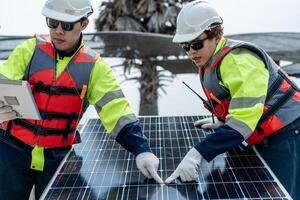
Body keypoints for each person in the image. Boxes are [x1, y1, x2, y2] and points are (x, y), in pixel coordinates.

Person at [0, 0, 163, 199]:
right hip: (11, 153)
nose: (58, 30)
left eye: (67, 25)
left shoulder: (95, 67)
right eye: (53, 22)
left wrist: (141, 149)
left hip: (59, 160)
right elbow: (3, 81)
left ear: (84, 24)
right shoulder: (29, 49)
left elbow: (116, 110)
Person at [165, 1, 300, 199]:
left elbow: (243, 122)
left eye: (196, 44)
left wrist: (197, 154)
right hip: (266, 135)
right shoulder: (212, 59)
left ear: (216, 35)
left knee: (283, 193)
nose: (191, 52)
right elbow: (240, 102)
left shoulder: (239, 61)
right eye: (185, 46)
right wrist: (223, 120)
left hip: (288, 135)